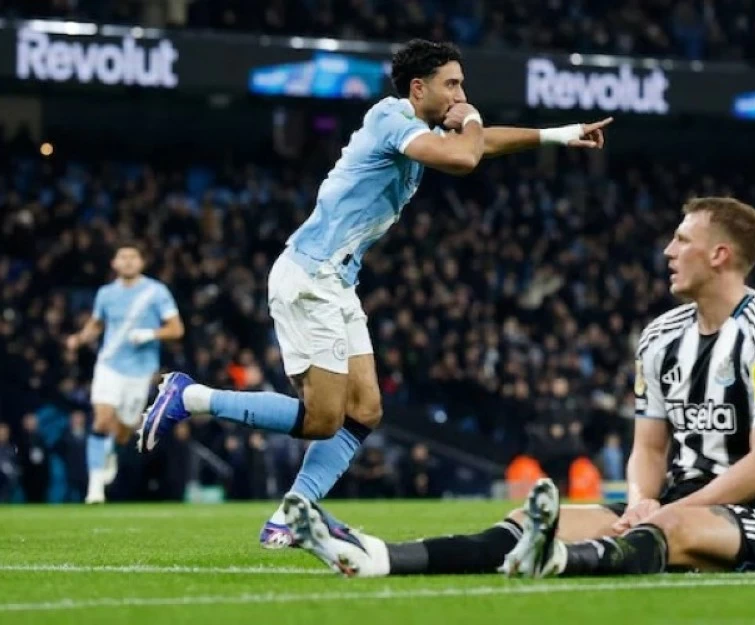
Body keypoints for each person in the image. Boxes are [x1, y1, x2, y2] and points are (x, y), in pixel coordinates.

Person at [136, 39, 612, 547]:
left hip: (338, 281)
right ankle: (191, 396)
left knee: (365, 411)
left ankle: (292, 513)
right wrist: (470, 119)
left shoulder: (419, 128)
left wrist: (561, 134)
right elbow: (465, 156)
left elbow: (484, 143)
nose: (460, 94)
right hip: (310, 276)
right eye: (452, 84)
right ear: (418, 88)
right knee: (322, 419)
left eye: (462, 86)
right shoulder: (390, 119)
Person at [280, 197, 755, 577]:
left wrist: (661, 513)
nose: (668, 251)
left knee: (675, 525)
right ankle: (379, 557)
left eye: (682, 240)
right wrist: (642, 501)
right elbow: (649, 447)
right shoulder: (660, 337)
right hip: (671, 505)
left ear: (719, 255)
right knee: (527, 519)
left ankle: (559, 560)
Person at [67, 242, 184, 504]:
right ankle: (95, 488)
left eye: (133, 257)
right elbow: (96, 324)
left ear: (142, 262)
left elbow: (177, 329)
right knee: (101, 420)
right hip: (109, 365)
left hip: (141, 371)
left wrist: (150, 334)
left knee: (125, 429)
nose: (128, 261)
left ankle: (110, 449)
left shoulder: (156, 292)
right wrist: (79, 339)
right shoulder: (106, 293)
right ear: (114, 263)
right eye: (123, 257)